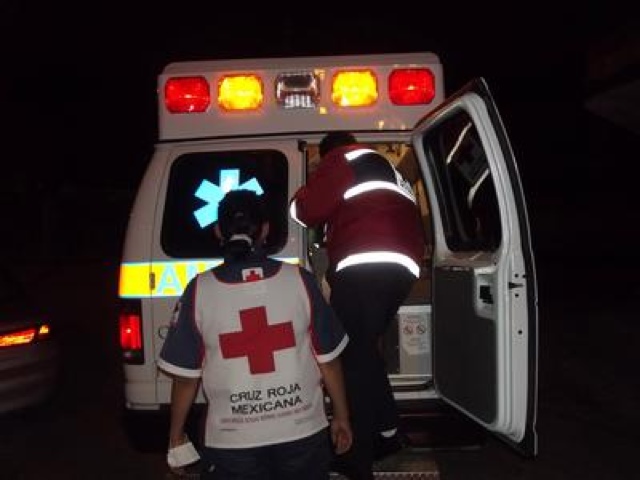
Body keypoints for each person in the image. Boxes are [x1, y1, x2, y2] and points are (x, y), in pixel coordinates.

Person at [158, 189, 352, 480]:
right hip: (301, 434)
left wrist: (176, 436)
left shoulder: (200, 290)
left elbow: (186, 378)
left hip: (232, 443)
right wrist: (342, 417)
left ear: (218, 231)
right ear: (265, 229)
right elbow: (329, 362)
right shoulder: (300, 280)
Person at [289, 132, 424, 479]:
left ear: (330, 150)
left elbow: (307, 211)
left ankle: (357, 458)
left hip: (365, 262)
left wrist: (299, 189)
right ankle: (389, 433)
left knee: (350, 360)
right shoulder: (387, 168)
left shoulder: (342, 158)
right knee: (363, 350)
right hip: (403, 265)